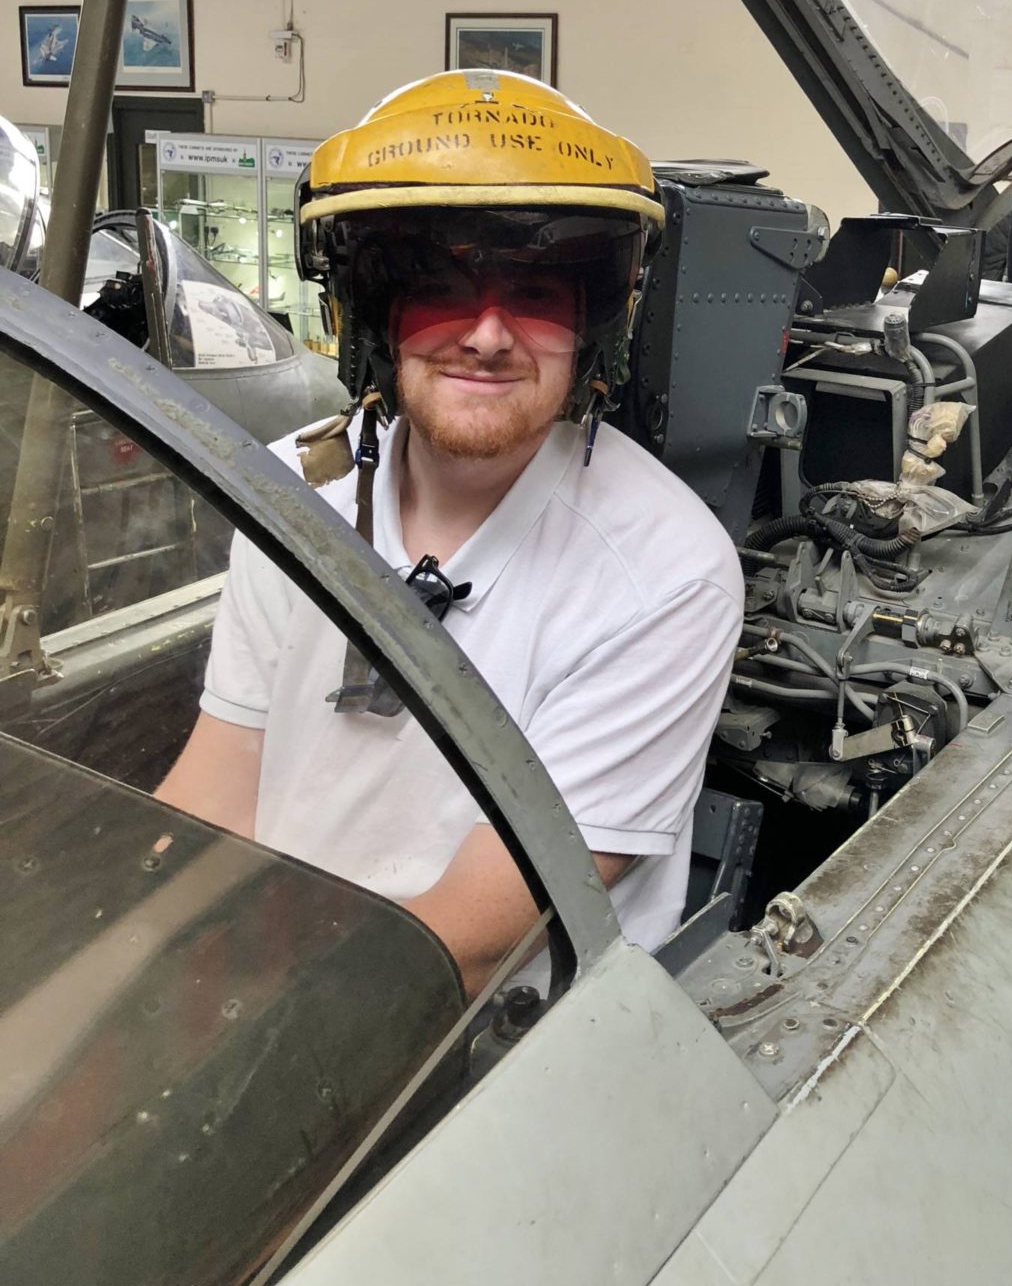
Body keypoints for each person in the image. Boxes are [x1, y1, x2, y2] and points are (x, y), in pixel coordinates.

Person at [156, 70, 743, 998]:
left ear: (599, 319)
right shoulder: (292, 489)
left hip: (485, 1052)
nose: (487, 334)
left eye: (540, 292)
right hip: (278, 974)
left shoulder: (664, 569)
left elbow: (473, 942)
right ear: (367, 310)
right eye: (437, 286)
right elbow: (217, 790)